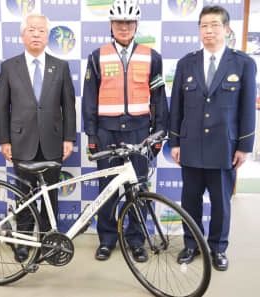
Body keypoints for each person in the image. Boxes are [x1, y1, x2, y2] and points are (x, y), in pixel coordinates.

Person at [169, 5, 256, 271]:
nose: (209, 30)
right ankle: (192, 245)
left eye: (215, 25)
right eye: (204, 25)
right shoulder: (186, 63)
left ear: (226, 29)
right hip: (191, 147)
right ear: (199, 30)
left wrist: (244, 146)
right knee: (190, 202)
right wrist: (174, 142)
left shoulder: (243, 64)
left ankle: (218, 248)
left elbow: (247, 108)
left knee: (221, 204)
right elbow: (177, 108)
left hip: (224, 149)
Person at [82, 0, 168, 261]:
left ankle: (136, 239)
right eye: (119, 22)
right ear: (111, 25)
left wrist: (160, 132)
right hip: (107, 133)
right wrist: (93, 135)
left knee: (138, 189)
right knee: (107, 188)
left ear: (136, 25)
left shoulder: (152, 57)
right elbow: (89, 99)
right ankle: (107, 239)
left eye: (129, 22)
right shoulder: (97, 56)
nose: (124, 27)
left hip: (139, 132)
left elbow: (159, 98)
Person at [0, 13, 76, 262]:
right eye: (31, 30)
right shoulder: (9, 67)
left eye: (41, 30)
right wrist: (5, 141)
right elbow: (1, 106)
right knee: (24, 197)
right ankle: (24, 240)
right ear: (22, 35)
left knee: (50, 196)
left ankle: (48, 240)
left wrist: (69, 138)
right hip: (21, 143)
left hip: (53, 142)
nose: (37, 34)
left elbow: (69, 106)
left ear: (47, 35)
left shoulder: (60, 66)